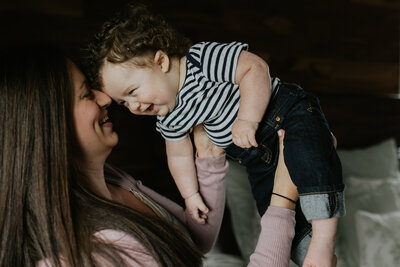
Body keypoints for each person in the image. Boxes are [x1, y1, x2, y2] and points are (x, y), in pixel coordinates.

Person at [83, 3, 343, 266]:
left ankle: (323, 240)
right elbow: (179, 156)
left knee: (309, 161)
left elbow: (254, 68)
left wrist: (247, 119)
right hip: (257, 159)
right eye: (124, 103)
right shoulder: (169, 117)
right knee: (270, 212)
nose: (134, 105)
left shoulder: (200, 60)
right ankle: (309, 252)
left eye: (133, 91)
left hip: (284, 115)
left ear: (161, 62)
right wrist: (190, 196)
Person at [0, 44, 305, 267]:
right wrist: (282, 202)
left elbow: (191, 241)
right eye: (85, 94)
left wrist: (209, 158)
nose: (106, 99)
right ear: (50, 124)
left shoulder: (115, 181)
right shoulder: (96, 253)